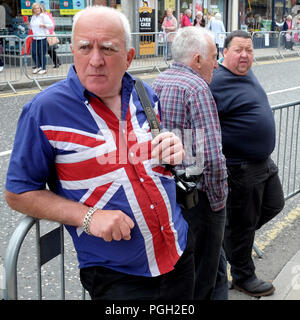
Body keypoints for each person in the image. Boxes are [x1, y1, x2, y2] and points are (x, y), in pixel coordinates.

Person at [5, 5, 195, 301]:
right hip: (117, 274)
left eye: (108, 48)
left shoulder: (145, 94)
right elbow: (18, 192)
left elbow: (156, 161)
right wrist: (88, 216)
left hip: (179, 250)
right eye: (84, 47)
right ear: (72, 49)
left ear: (129, 57)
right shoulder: (44, 110)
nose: (95, 60)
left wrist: (173, 150)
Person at [152, 26, 228, 300]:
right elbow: (212, 158)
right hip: (202, 200)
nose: (217, 63)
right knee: (203, 274)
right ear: (197, 59)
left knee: (189, 269)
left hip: (172, 196)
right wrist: (220, 203)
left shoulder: (156, 83)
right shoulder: (197, 88)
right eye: (213, 56)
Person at [210, 30, 285, 297]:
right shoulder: (215, 81)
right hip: (239, 167)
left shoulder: (245, 73)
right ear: (224, 52)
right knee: (242, 225)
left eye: (249, 50)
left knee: (275, 204)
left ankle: (229, 241)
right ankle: (243, 275)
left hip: (262, 162)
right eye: (239, 50)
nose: (245, 55)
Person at [29, 2, 53, 75]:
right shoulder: (33, 17)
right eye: (35, 8)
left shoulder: (44, 16)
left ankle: (43, 68)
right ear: (33, 10)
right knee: (33, 53)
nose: (37, 10)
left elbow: (51, 25)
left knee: (41, 53)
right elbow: (31, 27)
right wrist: (28, 24)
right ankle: (38, 66)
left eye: (38, 8)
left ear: (40, 9)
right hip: (35, 38)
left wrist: (44, 25)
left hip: (43, 37)